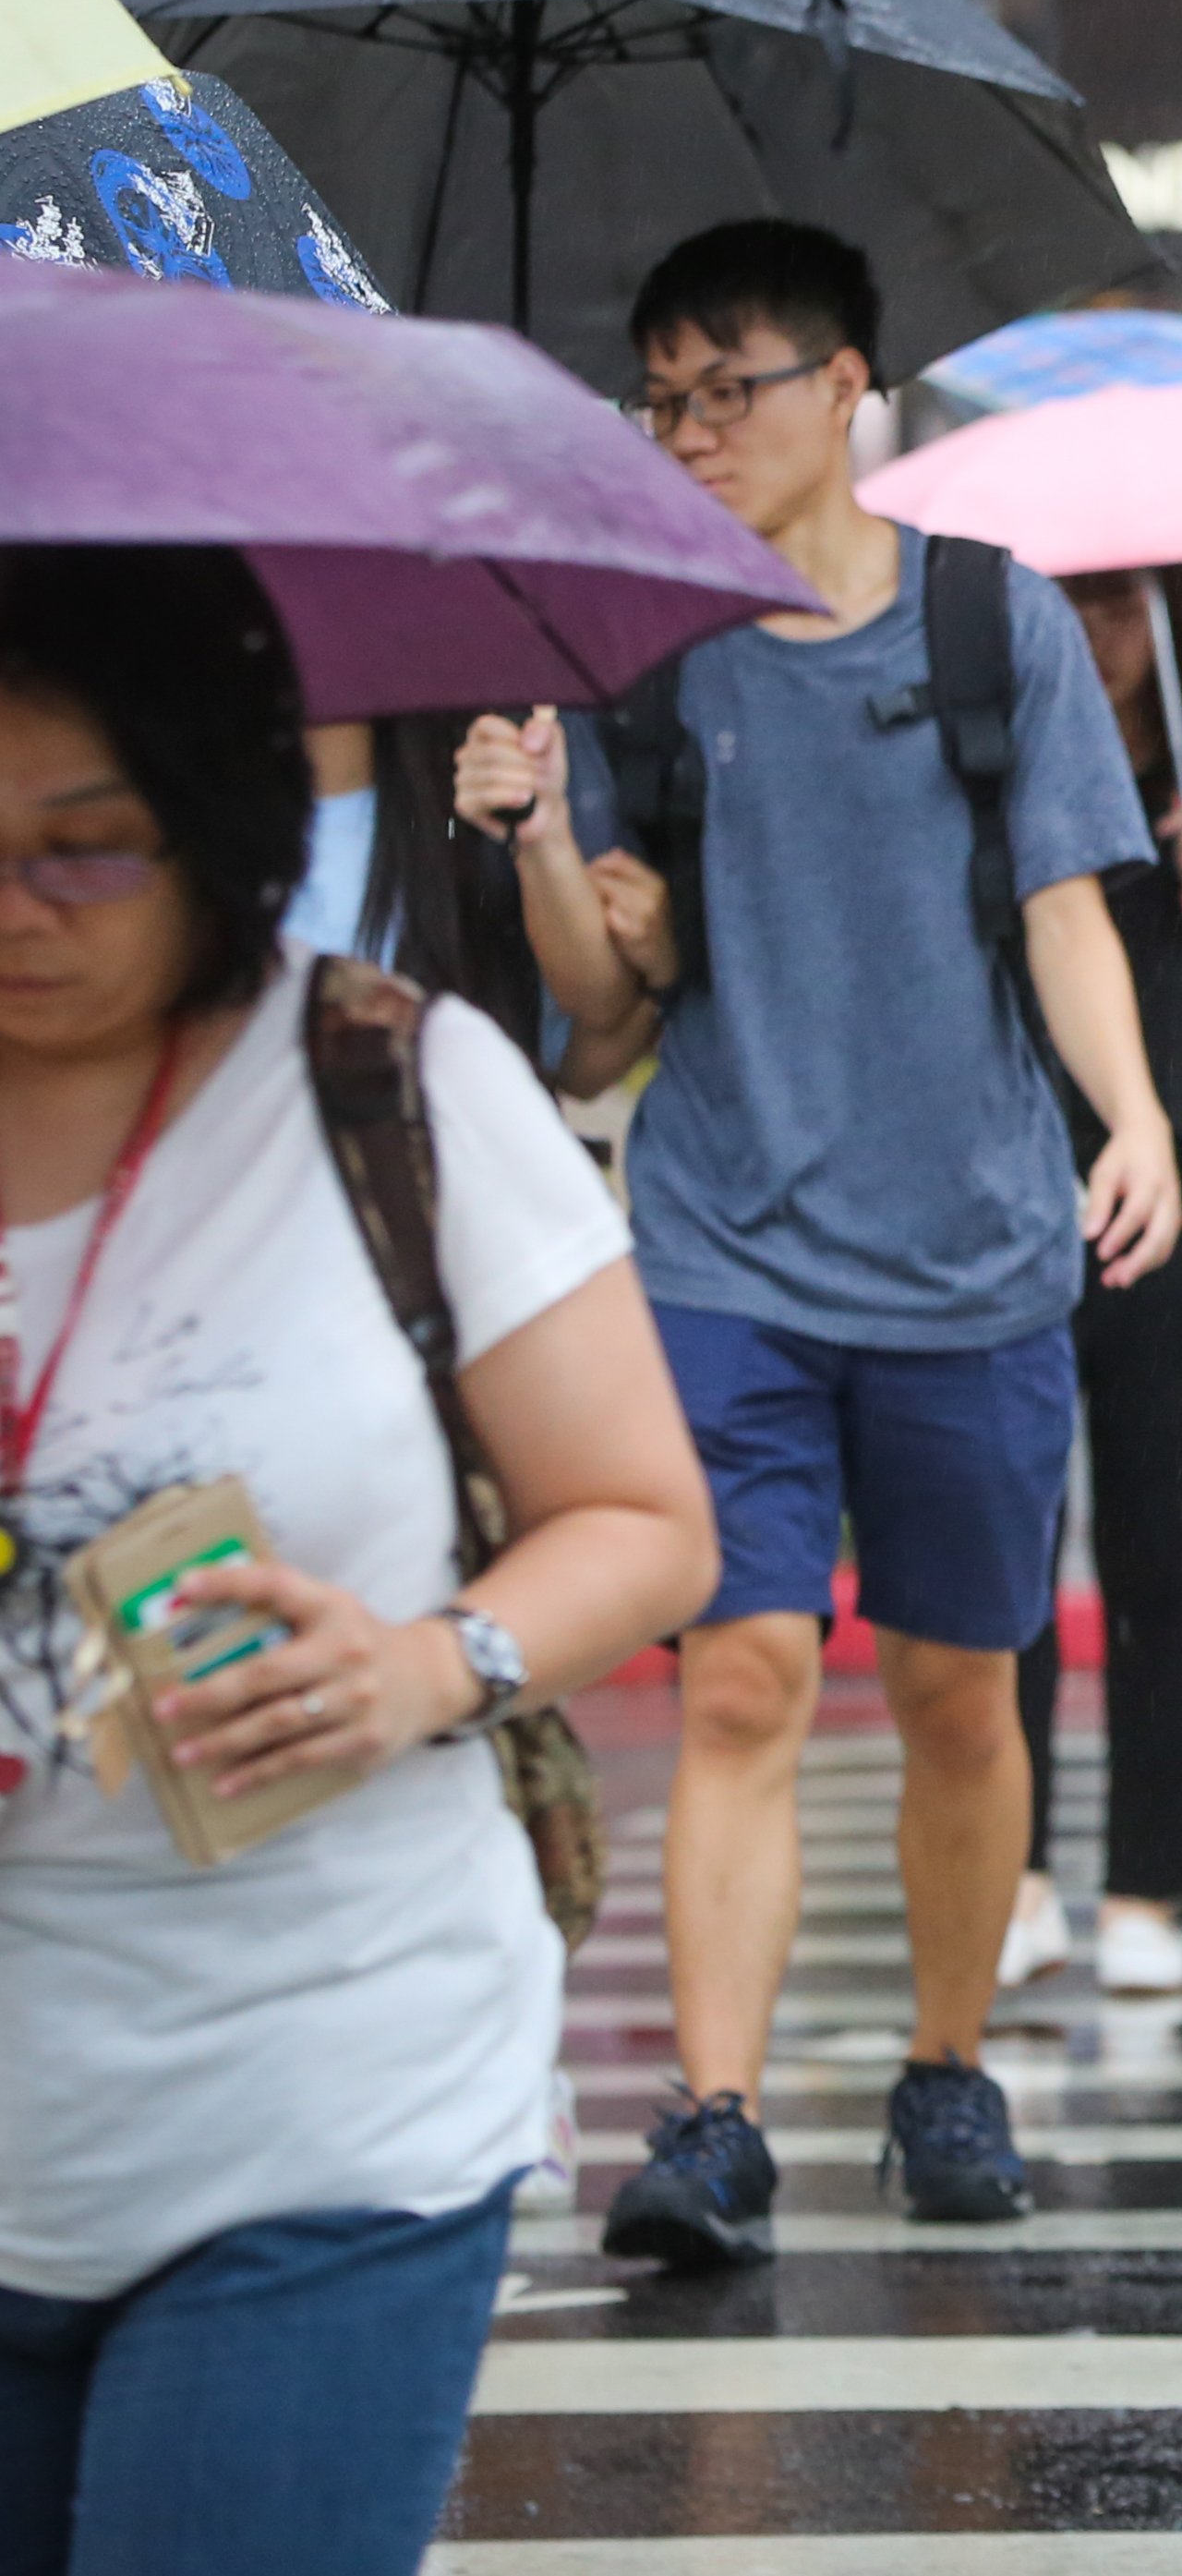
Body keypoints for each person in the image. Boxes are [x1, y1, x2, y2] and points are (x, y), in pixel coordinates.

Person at [454, 219, 1175, 2266]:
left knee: (963, 1694)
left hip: (969, 1255)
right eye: (660, 394)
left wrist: (1132, 1122)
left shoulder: (988, 625)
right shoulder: (637, 663)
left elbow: (1063, 909)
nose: (687, 430)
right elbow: (604, 1014)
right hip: (721, 1247)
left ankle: (950, 2063)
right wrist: (531, 840)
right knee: (745, 1678)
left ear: (849, 387)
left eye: (729, 388)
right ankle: (714, 2120)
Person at [0, 549, 718, 2573]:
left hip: (322, 2106)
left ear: (212, 819)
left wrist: (432, 1665)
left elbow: (650, 1524)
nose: (18, 910)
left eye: (83, 849)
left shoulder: (390, 1086)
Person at [996, 568, 1182, 2000]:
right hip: (1010, 1192)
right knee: (1005, 1556)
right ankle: (1017, 1874)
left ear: (1172, 620)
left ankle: (1144, 1889)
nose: (1099, 634)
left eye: (1123, 606)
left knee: (1172, 1557)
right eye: (1072, 602)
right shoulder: (990, 756)